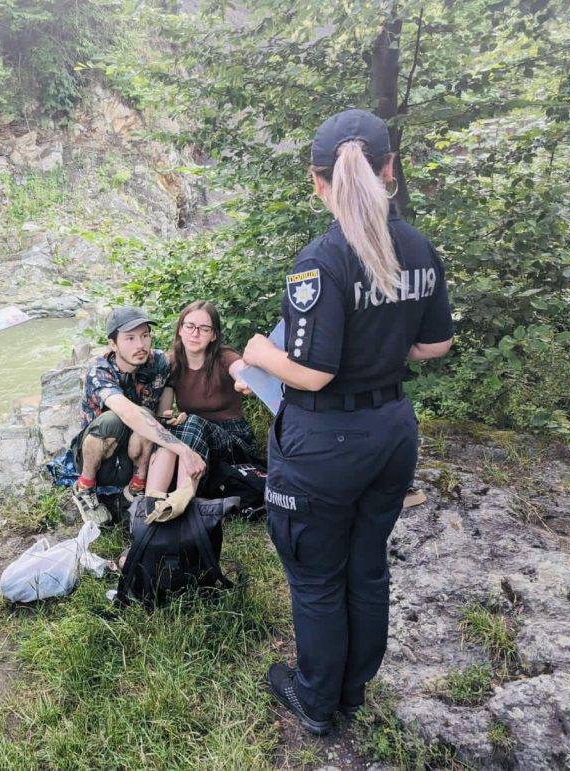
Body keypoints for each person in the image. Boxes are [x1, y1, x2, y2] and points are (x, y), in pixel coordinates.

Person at [239, 110, 453, 734]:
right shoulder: (416, 246)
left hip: (325, 444)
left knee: (315, 575)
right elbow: (435, 345)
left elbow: (312, 373)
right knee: (366, 563)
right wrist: (386, 349)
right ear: (389, 169)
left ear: (317, 181)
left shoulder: (322, 260)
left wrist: (256, 352)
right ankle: (353, 688)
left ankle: (315, 699)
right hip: (392, 431)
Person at [70, 306, 207, 524]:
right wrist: (184, 450)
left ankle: (136, 488)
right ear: (113, 344)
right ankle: (85, 487)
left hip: (133, 457)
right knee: (116, 420)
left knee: (148, 417)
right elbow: (127, 412)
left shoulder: (159, 362)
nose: (140, 345)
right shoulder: (100, 370)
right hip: (98, 456)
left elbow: (162, 409)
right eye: (130, 338)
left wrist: (169, 417)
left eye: (145, 336)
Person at [143, 300, 257, 511]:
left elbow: (239, 368)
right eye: (190, 326)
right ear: (180, 329)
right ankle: (149, 506)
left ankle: (181, 505)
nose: (195, 334)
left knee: (194, 422)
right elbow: (164, 413)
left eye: (204, 329)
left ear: (213, 335)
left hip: (234, 442)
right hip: (195, 440)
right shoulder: (172, 364)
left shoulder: (223, 357)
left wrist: (245, 379)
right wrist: (170, 418)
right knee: (172, 429)